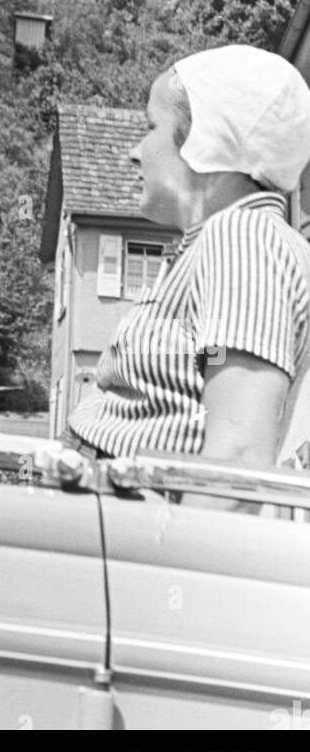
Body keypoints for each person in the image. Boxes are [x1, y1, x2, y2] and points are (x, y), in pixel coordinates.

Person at [67, 45, 310, 508]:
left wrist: (168, 572)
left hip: (123, 533)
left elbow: (237, 460)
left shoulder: (243, 238)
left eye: (150, 126)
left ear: (206, 139)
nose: (133, 153)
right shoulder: (228, 241)